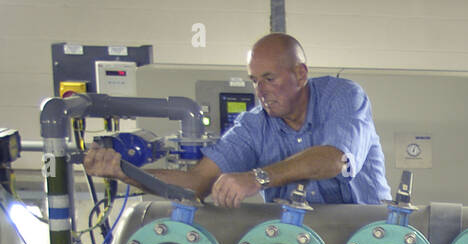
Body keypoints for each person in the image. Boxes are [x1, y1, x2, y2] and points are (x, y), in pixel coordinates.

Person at [83, 33, 390, 206]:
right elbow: (195, 183)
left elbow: (334, 159)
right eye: (255, 81)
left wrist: (257, 178)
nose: (261, 91)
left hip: (365, 234)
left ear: (300, 73)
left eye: (269, 79)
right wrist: (124, 172)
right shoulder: (254, 125)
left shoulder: (343, 96)